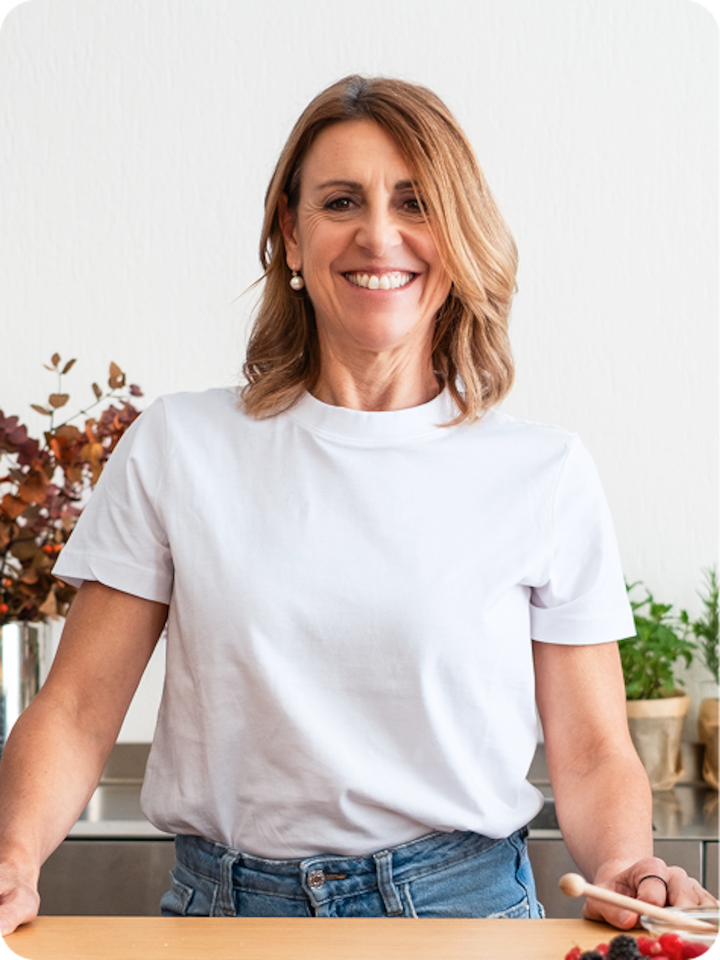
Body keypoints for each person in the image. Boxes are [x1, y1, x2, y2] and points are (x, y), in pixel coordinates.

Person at [0, 75, 715, 932]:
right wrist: (11, 857)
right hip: (223, 918)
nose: (379, 234)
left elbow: (594, 750)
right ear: (290, 238)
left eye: (415, 202)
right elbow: (78, 712)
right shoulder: (177, 446)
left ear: (458, 236)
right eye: (341, 201)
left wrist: (627, 867)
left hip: (464, 917)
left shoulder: (544, 471)